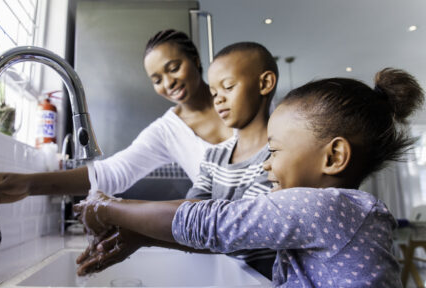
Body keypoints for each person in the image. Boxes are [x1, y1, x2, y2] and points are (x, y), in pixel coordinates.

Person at [76, 68, 424, 287]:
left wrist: (107, 206)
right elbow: (237, 237)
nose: (266, 165)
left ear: (333, 157)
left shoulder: (325, 207)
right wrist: (142, 237)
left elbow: (214, 223)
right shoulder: (335, 212)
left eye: (274, 151)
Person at [76, 41, 279, 278]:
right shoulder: (214, 158)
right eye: (214, 93)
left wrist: (110, 208)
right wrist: (141, 236)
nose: (218, 100)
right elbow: (193, 222)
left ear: (264, 83)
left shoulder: (279, 157)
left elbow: (229, 227)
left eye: (228, 87)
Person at [0, 29, 232, 205]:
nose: (168, 83)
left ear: (196, 61)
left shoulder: (235, 96)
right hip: (237, 246)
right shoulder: (167, 131)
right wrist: (30, 184)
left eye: (174, 68)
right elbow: (113, 173)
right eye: (157, 80)